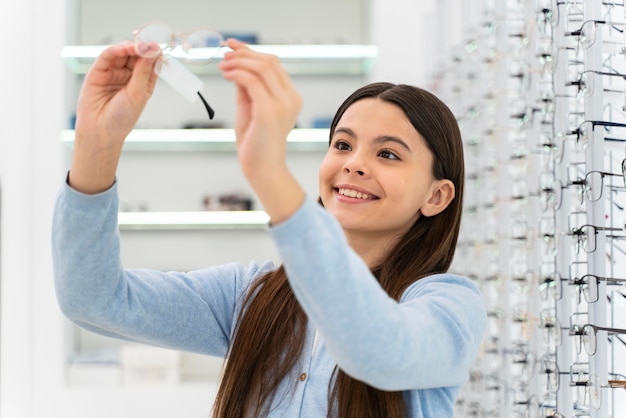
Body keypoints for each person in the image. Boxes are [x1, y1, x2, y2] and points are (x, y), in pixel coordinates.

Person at [52, 38, 486, 418]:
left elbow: (377, 347)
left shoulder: (449, 308)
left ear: (437, 197)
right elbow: (95, 300)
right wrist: (98, 144)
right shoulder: (252, 295)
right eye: (342, 144)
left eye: (388, 154)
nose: (353, 163)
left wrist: (269, 173)